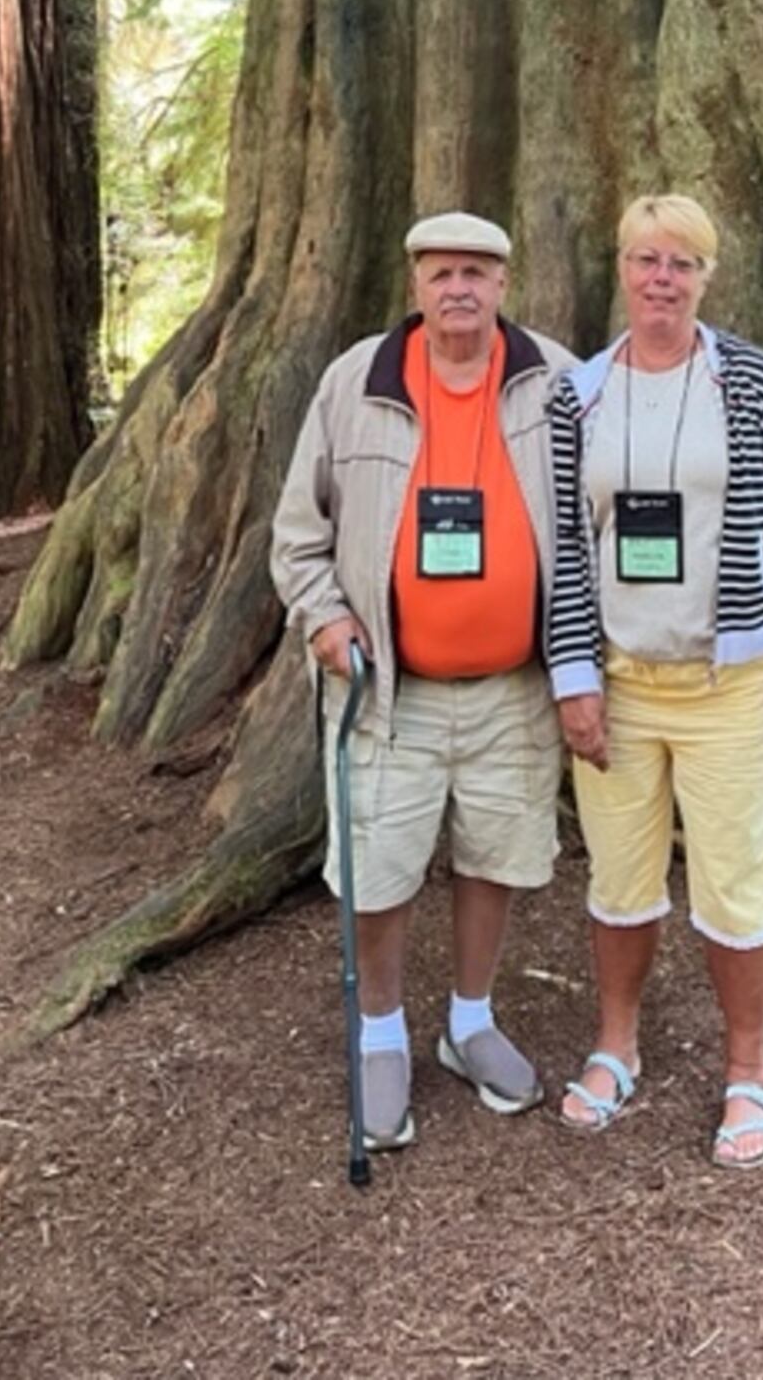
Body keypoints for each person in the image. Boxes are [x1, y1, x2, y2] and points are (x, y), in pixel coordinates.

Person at [546, 194, 763, 1169]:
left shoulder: (749, 382)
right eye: (644, 259)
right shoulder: (579, 393)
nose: (661, 277)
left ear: (706, 277)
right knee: (620, 879)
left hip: (730, 682)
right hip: (621, 685)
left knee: (734, 887)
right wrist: (574, 674)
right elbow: (562, 546)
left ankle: (747, 1068)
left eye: (681, 262)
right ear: (621, 270)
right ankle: (615, 1043)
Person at [271, 212, 576, 1152]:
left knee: (496, 855)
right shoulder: (356, 383)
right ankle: (380, 1033)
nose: (460, 289)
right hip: (388, 691)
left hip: (513, 689)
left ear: (503, 284)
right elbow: (297, 533)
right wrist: (325, 618)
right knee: (385, 864)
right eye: (443, 273)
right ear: (415, 285)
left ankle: (470, 1021)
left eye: (478, 273)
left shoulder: (555, 379)